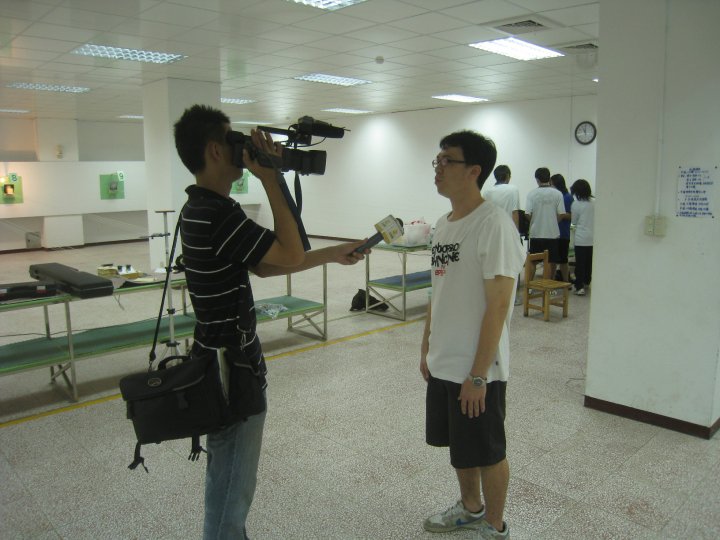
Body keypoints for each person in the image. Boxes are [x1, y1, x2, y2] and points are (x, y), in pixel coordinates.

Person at [173, 104, 366, 539]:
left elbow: (268, 264)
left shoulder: (200, 207)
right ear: (215, 150)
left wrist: (332, 254)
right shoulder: (217, 213)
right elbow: (290, 252)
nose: (243, 152)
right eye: (235, 141)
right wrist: (271, 177)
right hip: (232, 373)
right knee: (231, 494)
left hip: (219, 362)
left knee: (225, 483)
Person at [421, 131, 525, 539]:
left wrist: (479, 374)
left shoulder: (493, 224)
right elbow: (438, 291)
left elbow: (498, 305)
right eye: (437, 160)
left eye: (447, 160)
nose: (438, 168)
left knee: (488, 450)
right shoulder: (442, 224)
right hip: (445, 360)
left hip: (479, 368)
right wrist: (427, 347)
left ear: (474, 171)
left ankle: (495, 526)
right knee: (460, 445)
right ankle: (470, 507)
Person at [525, 167, 568, 280]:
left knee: (533, 261)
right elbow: (562, 214)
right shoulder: (558, 194)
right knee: (549, 261)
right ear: (549, 178)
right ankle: (547, 287)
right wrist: (552, 221)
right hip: (552, 234)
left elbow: (527, 214)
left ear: (537, 179)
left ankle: (528, 286)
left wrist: (536, 221)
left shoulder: (531, 194)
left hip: (536, 233)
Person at [570, 179, 594, 296]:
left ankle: (579, 287)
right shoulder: (595, 202)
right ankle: (586, 282)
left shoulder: (576, 204)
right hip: (593, 238)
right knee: (589, 262)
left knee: (580, 263)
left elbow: (574, 221)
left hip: (581, 238)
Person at [551, 173, 573, 281]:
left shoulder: (567, 197)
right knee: (552, 261)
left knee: (563, 260)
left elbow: (571, 215)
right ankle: (551, 282)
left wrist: (562, 215)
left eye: (551, 184)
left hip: (563, 233)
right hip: (552, 234)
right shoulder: (553, 197)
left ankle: (566, 282)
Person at [484, 165, 520, 230]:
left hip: (492, 229)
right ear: (507, 176)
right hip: (508, 229)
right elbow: (514, 213)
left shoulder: (487, 192)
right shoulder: (513, 189)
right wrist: (516, 233)